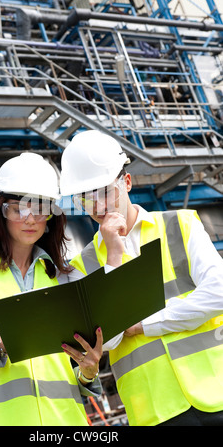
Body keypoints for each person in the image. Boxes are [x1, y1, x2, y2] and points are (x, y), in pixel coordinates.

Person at [60, 130, 223, 426]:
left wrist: (141, 324)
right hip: (154, 410)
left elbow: (219, 293)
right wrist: (113, 256)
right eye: (85, 197)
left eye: (105, 191)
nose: (97, 206)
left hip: (216, 389)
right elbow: (106, 340)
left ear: (127, 182)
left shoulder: (180, 224)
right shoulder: (81, 265)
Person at [0, 152, 103, 426]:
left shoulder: (62, 277)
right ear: (1, 210)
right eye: (19, 209)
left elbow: (69, 370)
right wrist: (1, 345)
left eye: (41, 209)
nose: (30, 220)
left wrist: (88, 371)